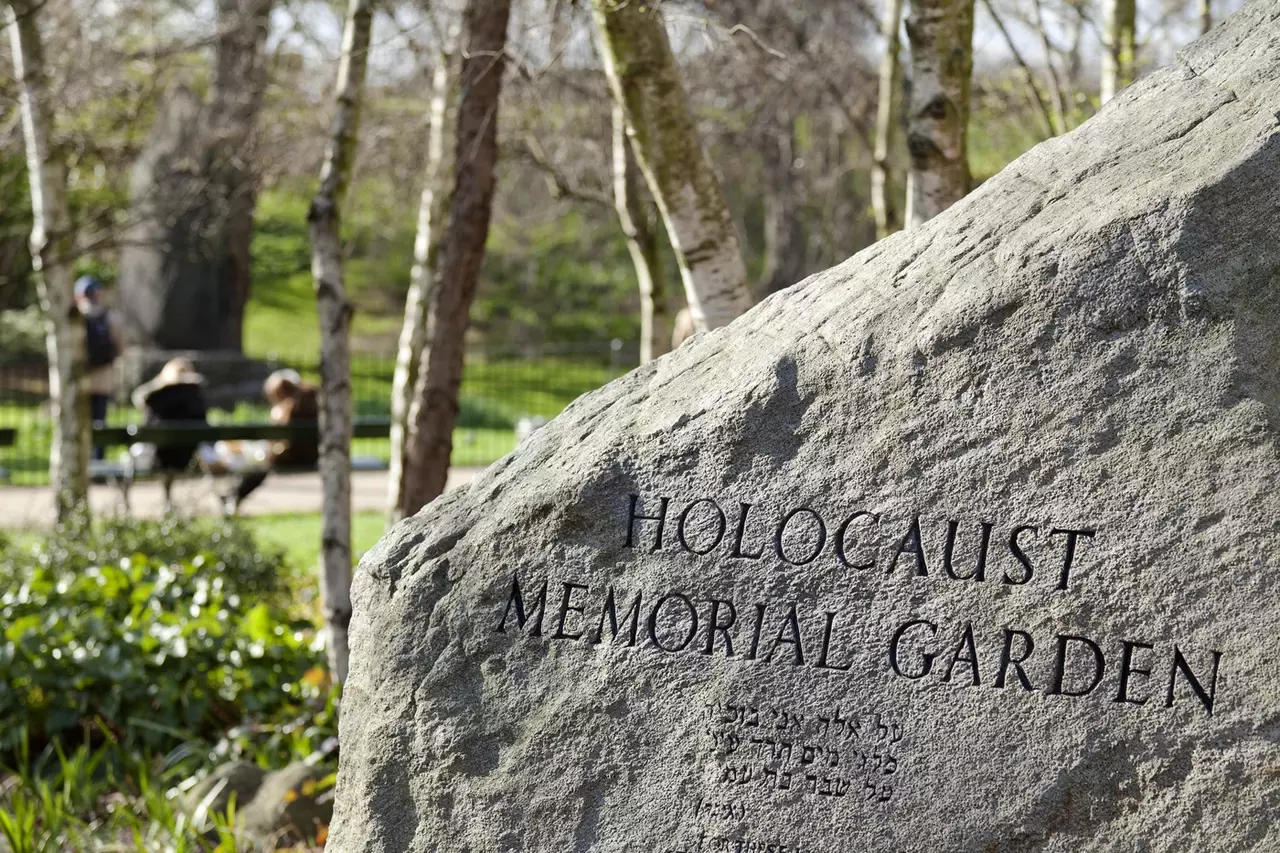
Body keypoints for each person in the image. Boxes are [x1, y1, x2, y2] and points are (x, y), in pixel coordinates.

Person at [221, 369, 319, 515]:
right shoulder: (310, 399)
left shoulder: (288, 408)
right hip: (315, 454)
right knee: (260, 462)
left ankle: (234, 495)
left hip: (298, 457)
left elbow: (279, 439)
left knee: (258, 463)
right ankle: (234, 495)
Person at [131, 358, 209, 512]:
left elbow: (144, 418)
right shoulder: (196, 398)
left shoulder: (154, 398)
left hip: (157, 459)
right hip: (190, 459)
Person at [75, 276, 123, 460]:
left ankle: (80, 461)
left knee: (80, 424)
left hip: (81, 380)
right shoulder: (110, 317)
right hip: (104, 380)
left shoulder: (75, 317)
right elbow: (120, 347)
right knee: (100, 423)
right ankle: (98, 463)